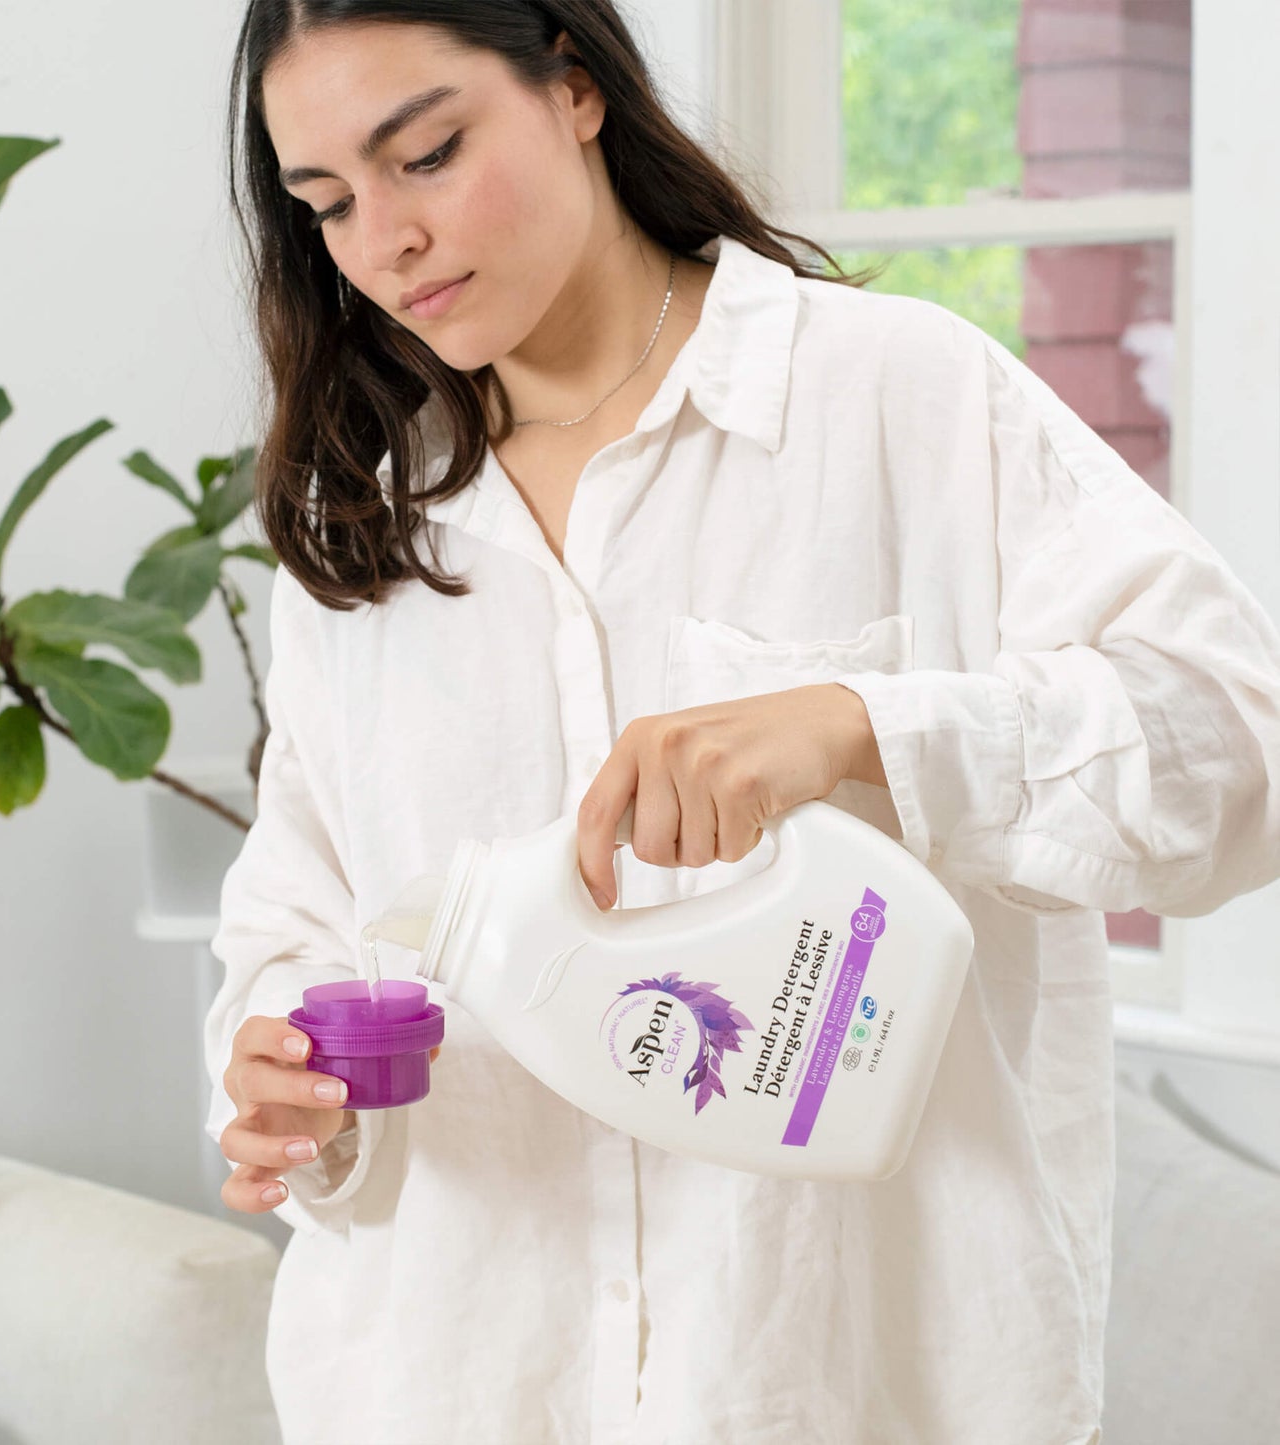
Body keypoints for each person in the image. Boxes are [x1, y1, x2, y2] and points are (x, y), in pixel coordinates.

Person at [201, 3, 1280, 1443]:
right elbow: (295, 935)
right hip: (448, 1384)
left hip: (842, 1394)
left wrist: (857, 729)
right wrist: (285, 1083)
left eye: (429, 154)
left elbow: (1233, 743)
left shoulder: (893, 400)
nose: (382, 239)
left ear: (573, 89)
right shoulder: (368, 543)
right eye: (326, 202)